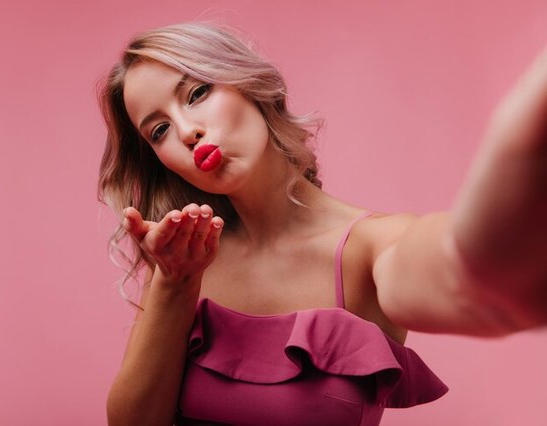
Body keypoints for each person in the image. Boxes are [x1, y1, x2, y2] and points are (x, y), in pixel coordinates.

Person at [98, 22, 547, 425]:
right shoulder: (185, 260)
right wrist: (174, 283)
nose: (186, 131)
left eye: (197, 93)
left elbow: (457, 270)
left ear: (249, 84)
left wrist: (513, 150)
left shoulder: (369, 246)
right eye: (159, 131)